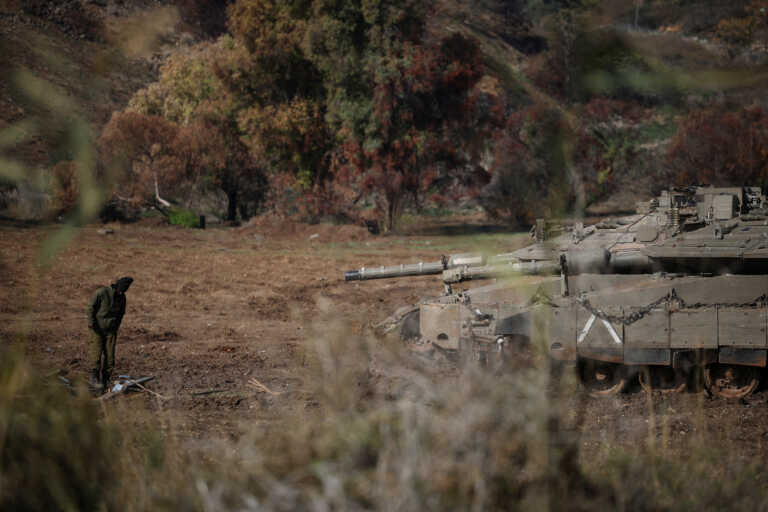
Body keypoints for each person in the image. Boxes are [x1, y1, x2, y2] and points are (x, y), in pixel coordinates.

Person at [87, 276, 133, 391]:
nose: (122, 292)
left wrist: (116, 327)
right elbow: (91, 308)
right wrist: (91, 323)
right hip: (97, 329)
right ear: (117, 286)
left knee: (110, 358)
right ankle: (94, 378)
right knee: (96, 354)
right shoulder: (102, 292)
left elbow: (121, 314)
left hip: (111, 331)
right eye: (121, 289)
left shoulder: (122, 298)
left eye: (124, 290)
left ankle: (105, 381)